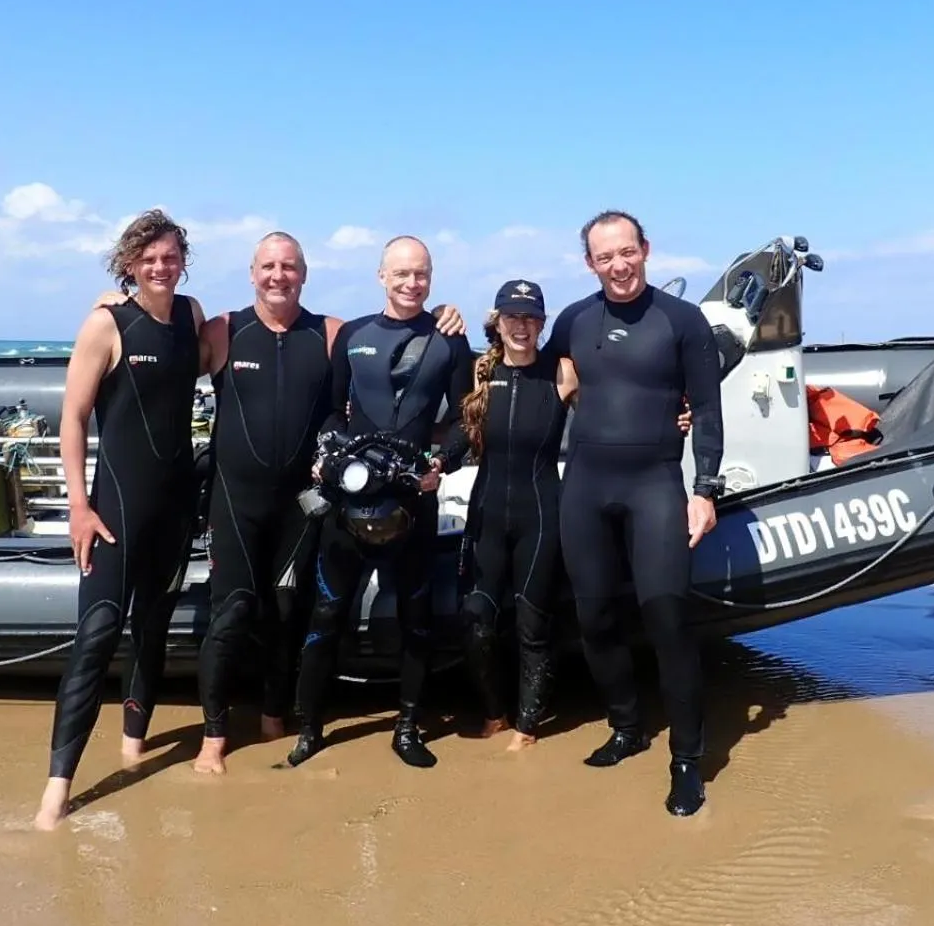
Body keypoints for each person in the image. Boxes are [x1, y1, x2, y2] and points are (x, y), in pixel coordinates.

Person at [89, 232, 469, 776]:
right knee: (238, 612)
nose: (278, 275)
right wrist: (119, 306)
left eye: (289, 266)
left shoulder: (335, 333)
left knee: (301, 611)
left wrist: (439, 459)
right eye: (268, 266)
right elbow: (162, 350)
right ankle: (223, 736)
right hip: (252, 500)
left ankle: (295, 719)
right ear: (252, 272)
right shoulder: (228, 330)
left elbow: (435, 402)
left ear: (305, 273)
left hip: (327, 502)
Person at [449, 279, 695, 752]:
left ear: (542, 324)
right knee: (476, 619)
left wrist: (675, 413)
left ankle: (526, 726)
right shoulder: (482, 371)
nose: (521, 327)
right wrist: (437, 463)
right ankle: (494, 712)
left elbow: (618, 401)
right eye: (512, 317)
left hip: (541, 510)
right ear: (496, 322)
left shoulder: (563, 372)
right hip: (485, 511)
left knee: (532, 624)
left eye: (531, 318)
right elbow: (464, 431)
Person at [544, 209, 724, 817]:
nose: (618, 266)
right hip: (587, 484)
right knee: (594, 617)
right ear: (589, 263)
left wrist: (705, 489)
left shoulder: (682, 321)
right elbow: (531, 371)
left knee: (668, 620)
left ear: (645, 249)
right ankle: (627, 727)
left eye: (627, 252)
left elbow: (706, 407)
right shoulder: (572, 320)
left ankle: (686, 761)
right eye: (604, 257)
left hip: (654, 484)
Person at [35, 209, 208, 830]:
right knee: (97, 637)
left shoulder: (190, 317)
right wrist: (79, 505)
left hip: (173, 507)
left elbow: (247, 348)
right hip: (116, 511)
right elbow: (73, 418)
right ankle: (58, 790)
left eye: (170, 257)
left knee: (155, 627)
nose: (161, 267)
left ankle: (134, 748)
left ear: (182, 261)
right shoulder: (106, 325)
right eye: (149, 258)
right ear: (130, 263)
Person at [286, 235, 475, 769]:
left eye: (421, 274)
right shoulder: (353, 334)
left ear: (431, 278)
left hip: (412, 498)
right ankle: (309, 729)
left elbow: (465, 415)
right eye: (402, 274)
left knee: (416, 617)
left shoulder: (448, 338)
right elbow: (330, 413)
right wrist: (328, 454)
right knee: (327, 613)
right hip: (350, 499)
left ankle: (409, 727)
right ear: (381, 276)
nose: (412, 284)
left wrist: (444, 464)